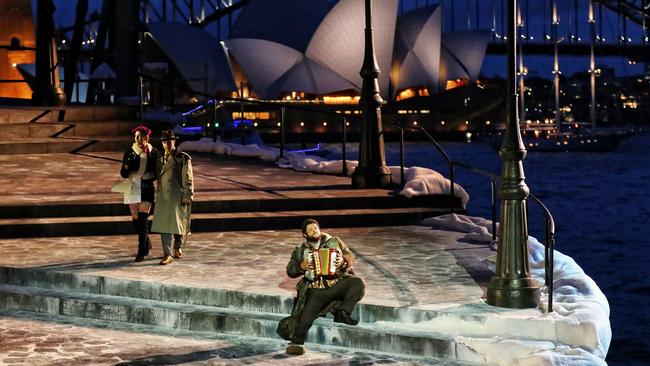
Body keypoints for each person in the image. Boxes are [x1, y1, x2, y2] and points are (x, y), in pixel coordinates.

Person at [277, 219, 365, 354]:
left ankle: (343, 312)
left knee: (358, 283)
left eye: (315, 228)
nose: (314, 231)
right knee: (307, 313)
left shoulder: (334, 241)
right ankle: (297, 342)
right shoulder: (301, 251)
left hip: (337, 282)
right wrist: (301, 267)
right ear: (305, 235)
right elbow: (290, 270)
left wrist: (343, 260)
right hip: (317, 289)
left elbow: (350, 254)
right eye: (310, 230)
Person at [151, 130, 194, 265]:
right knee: (165, 225)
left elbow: (188, 178)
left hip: (176, 194)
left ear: (174, 141)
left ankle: (177, 246)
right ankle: (167, 254)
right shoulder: (160, 158)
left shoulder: (182, 158)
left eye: (169, 141)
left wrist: (188, 194)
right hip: (164, 195)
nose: (167, 144)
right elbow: (158, 176)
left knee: (177, 223)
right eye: (164, 142)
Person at [120, 125, 160, 262]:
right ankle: (146, 241)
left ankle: (141, 250)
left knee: (143, 218)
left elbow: (158, 171)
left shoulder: (153, 152)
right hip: (132, 185)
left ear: (146, 138)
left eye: (140, 136)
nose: (137, 139)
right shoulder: (130, 152)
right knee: (136, 218)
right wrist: (127, 165)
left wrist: (153, 180)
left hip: (147, 186)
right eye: (136, 136)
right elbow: (123, 174)